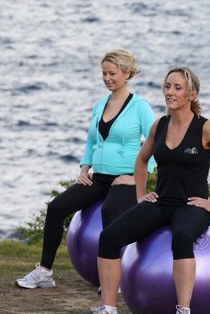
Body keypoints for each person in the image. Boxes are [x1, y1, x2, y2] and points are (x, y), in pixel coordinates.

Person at [75, 66, 210, 314]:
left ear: (192, 94)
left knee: (182, 237)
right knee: (109, 237)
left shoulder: (206, 128)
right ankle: (108, 311)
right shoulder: (160, 125)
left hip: (191, 206)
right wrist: (142, 195)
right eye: (167, 86)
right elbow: (141, 160)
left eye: (177, 88)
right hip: (162, 203)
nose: (170, 92)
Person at [16, 49, 155, 289]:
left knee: (110, 213)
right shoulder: (100, 105)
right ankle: (44, 271)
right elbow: (92, 142)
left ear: (126, 73)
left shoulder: (139, 106)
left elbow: (156, 144)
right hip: (98, 178)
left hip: (124, 179)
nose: (107, 78)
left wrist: (135, 178)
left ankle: (114, 279)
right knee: (56, 207)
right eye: (104, 73)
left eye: (112, 73)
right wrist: (84, 168)